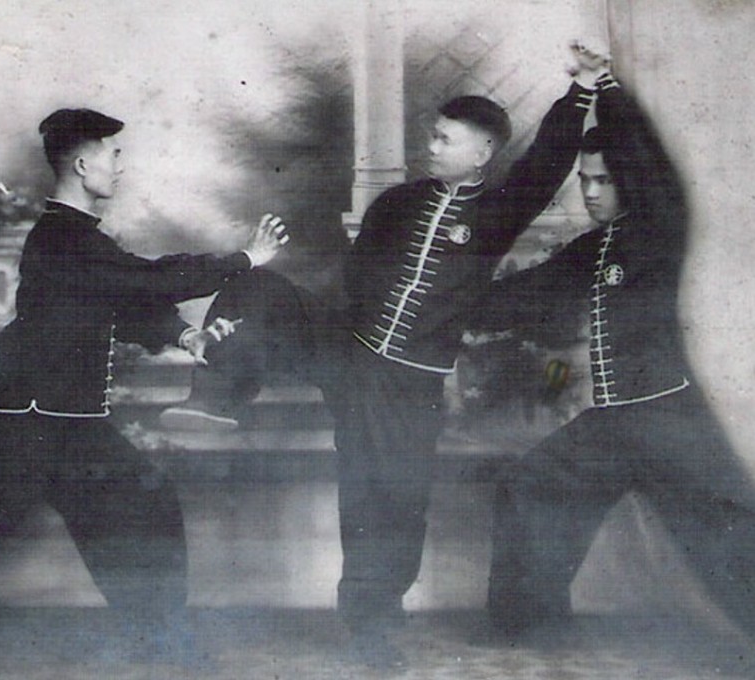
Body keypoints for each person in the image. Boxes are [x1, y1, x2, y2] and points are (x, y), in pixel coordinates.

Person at [161, 41, 607, 668]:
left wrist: (583, 88)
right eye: (434, 135)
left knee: (386, 500)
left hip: (408, 385)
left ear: (484, 152)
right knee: (259, 284)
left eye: (448, 139)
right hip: (352, 351)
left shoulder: (500, 210)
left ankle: (373, 626)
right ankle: (213, 399)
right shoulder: (395, 205)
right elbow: (355, 283)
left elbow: (549, 160)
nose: (434, 146)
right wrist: (314, 337)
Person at [0, 108, 287, 661]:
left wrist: (187, 337)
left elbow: (120, 302)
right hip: (30, 426)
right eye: (113, 156)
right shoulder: (61, 238)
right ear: (82, 164)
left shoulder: (79, 241)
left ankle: (163, 648)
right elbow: (142, 280)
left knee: (147, 509)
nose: (121, 168)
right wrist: (245, 259)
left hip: (68, 426)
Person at [482, 68, 755, 643]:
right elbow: (532, 289)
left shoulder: (659, 226)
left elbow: (649, 161)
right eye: (583, 180)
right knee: (528, 487)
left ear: (629, 182)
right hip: (612, 425)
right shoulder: (596, 245)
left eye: (603, 180)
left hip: (669, 423)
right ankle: (529, 629)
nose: (590, 192)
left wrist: (605, 88)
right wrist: (451, 309)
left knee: (729, 536)